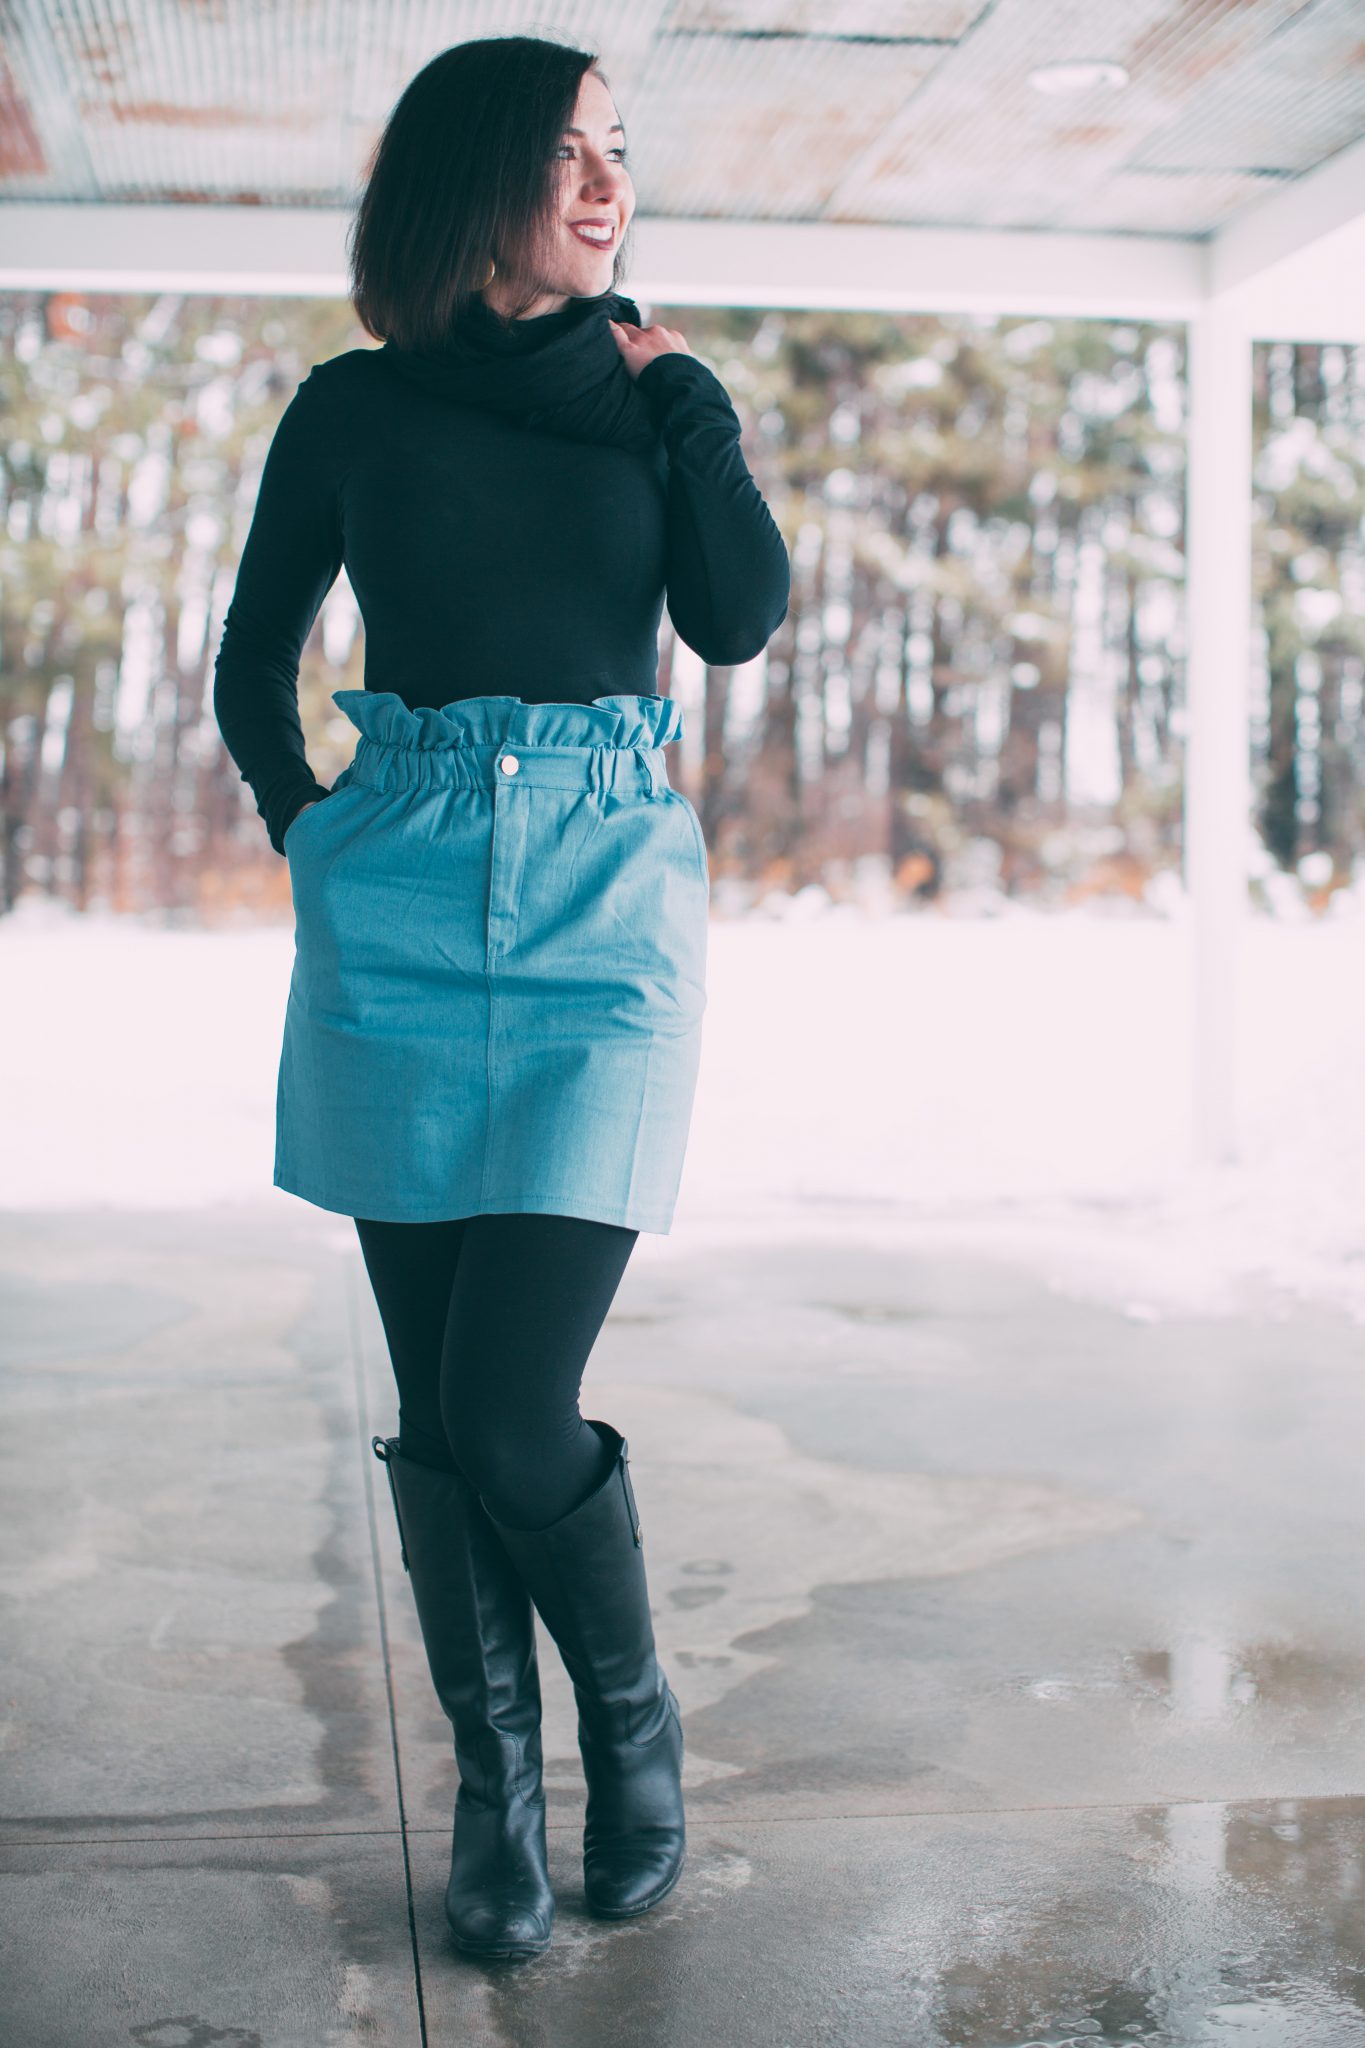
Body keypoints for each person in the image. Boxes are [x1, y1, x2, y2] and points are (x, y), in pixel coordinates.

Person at [212, 34, 789, 1964]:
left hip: (604, 918)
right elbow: (250, 664)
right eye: (567, 155)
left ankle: (632, 1743)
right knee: (439, 1415)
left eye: (621, 153)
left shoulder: (648, 398)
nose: (607, 183)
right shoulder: (353, 410)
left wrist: (690, 406)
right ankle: (495, 1800)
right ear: (474, 184)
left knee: (508, 1396)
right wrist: (315, 837)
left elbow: (736, 614)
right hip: (394, 911)